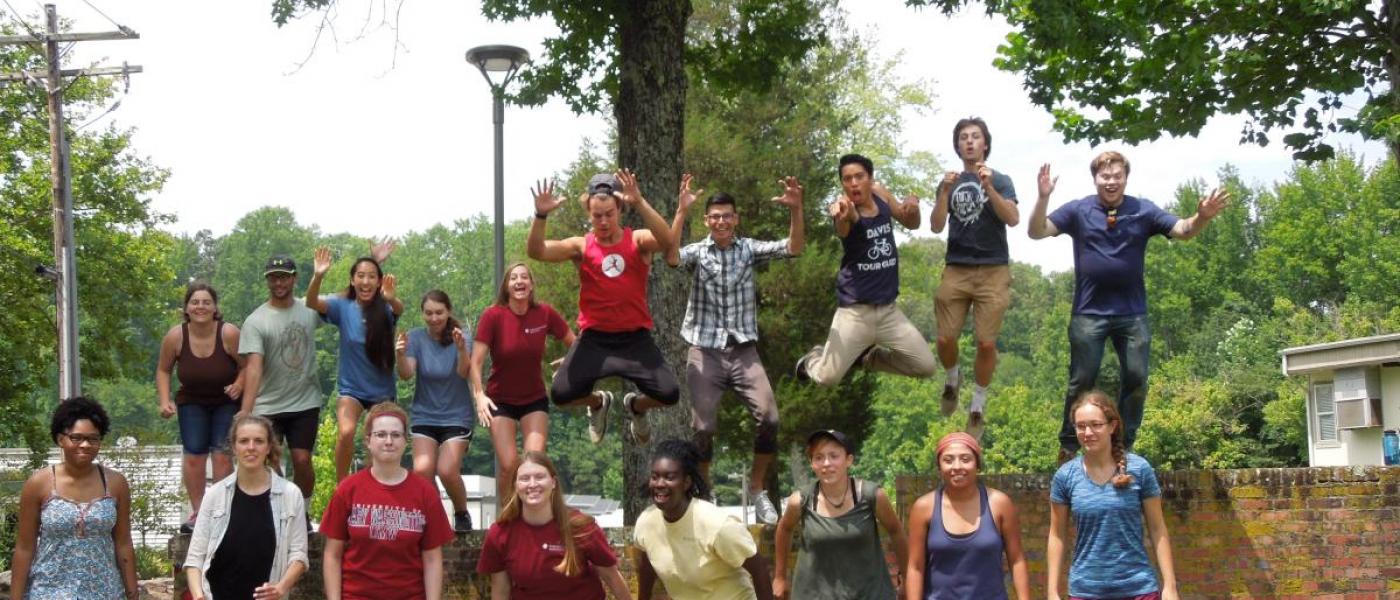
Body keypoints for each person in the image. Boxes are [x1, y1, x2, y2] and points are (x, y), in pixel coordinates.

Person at [1029, 153, 1229, 462]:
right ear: (1095, 178)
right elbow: (1036, 231)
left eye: (1117, 176)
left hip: (1132, 313)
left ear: (1126, 178)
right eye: (1105, 176)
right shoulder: (1078, 210)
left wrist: (1202, 216)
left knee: (1136, 377)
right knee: (1082, 380)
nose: (1111, 181)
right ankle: (1069, 445)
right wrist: (1043, 198)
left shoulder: (1142, 210)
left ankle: (1122, 444)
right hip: (1088, 312)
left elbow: (1184, 230)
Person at [664, 174, 804, 524]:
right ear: (707, 220)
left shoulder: (748, 249)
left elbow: (793, 247)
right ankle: (706, 491)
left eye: (727, 216)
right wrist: (681, 213)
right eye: (715, 216)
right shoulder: (698, 251)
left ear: (736, 219)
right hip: (705, 349)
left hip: (743, 350)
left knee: (770, 416)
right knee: (703, 427)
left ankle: (758, 491)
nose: (721, 222)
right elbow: (670, 257)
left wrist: (796, 209)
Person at [527, 171, 679, 444]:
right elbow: (537, 252)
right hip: (595, 340)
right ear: (589, 211)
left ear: (619, 209)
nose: (604, 221)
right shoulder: (581, 246)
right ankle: (598, 403)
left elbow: (668, 242)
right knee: (561, 395)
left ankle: (636, 406)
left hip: (635, 340)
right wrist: (540, 216)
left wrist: (640, 202)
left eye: (609, 213)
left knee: (669, 393)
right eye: (597, 215)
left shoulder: (637, 240)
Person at [795, 153, 937, 385]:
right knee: (826, 378)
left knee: (925, 366)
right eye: (847, 179)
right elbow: (843, 227)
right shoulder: (844, 207)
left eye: (858, 177)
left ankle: (867, 359)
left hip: (889, 312)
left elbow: (911, 222)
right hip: (855, 313)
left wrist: (913, 205)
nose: (853, 183)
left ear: (870, 179)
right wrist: (844, 216)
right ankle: (811, 359)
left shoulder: (880, 194)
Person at [929, 118, 1020, 440]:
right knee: (944, 339)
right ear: (957, 146)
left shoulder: (1002, 179)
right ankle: (953, 377)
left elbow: (1012, 218)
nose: (969, 142)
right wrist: (943, 192)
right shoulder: (949, 181)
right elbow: (937, 226)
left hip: (993, 270)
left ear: (985, 144)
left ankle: (977, 404)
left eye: (975, 137)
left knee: (986, 343)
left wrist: (990, 187)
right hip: (957, 267)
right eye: (963, 138)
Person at [1046, 391, 1179, 600]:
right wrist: (1052, 592)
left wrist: (1170, 587)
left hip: (1139, 589)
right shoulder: (1065, 476)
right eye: (1081, 426)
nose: (1088, 432)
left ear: (1112, 426)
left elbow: (1157, 528)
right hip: (1086, 591)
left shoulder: (1139, 469)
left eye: (1095, 424)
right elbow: (1057, 535)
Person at [321, 402, 454, 600]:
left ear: (405, 441)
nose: (389, 441)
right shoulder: (348, 490)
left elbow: (433, 559)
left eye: (396, 435)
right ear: (368, 440)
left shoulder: (425, 492)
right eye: (381, 434)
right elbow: (332, 555)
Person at [9, 397, 138, 600]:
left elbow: (123, 543)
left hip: (104, 591)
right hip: (48, 591)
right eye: (76, 438)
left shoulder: (115, 483)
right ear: (61, 439)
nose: (85, 445)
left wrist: (133, 593)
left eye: (93, 438)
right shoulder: (38, 484)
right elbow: (25, 547)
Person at [470, 263, 576, 504]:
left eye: (524, 277)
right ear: (506, 286)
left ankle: (538, 514)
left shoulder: (545, 313)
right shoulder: (493, 315)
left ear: (531, 285)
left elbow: (576, 342)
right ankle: (508, 516)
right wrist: (479, 395)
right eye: (514, 278)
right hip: (500, 400)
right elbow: (475, 362)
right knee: (509, 466)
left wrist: (570, 361)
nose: (519, 281)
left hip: (534, 399)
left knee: (535, 462)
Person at [184, 414, 309, 600]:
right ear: (234, 447)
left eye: (258, 441)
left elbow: (299, 555)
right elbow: (195, 558)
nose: (251, 447)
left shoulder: (291, 495)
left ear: (268, 447)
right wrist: (198, 596)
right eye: (244, 441)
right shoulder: (214, 495)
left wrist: (281, 588)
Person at [476, 451, 632, 600]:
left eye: (539, 477)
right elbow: (501, 591)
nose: (532, 484)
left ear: (553, 483)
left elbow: (612, 578)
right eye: (524, 478)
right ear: (516, 486)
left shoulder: (582, 527)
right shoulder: (499, 533)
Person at [306, 246, 404, 482]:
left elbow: (399, 308)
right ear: (352, 280)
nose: (366, 281)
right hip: (351, 389)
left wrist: (391, 297)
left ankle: (375, 485)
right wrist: (318, 275)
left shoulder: (386, 307)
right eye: (360, 276)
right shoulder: (343, 307)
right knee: (347, 432)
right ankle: (342, 487)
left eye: (371, 276)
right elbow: (311, 302)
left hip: (382, 391)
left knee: (379, 442)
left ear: (379, 281)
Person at [772, 430, 906, 600]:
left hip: (869, 593)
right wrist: (780, 577)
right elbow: (784, 529)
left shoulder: (871, 495)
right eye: (818, 457)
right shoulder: (800, 501)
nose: (826, 463)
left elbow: (896, 531)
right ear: (812, 463)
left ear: (848, 460)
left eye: (834, 456)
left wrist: (908, 577)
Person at [156, 281, 245, 532]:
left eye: (206, 302)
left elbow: (248, 365)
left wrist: (239, 383)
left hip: (225, 401)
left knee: (221, 455)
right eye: (195, 302)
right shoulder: (176, 336)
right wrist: (165, 401)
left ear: (215, 308)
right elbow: (163, 370)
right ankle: (199, 512)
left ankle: (222, 510)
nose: (200, 307)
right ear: (186, 308)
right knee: (194, 454)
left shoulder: (228, 333)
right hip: (192, 401)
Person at [634, 439, 773, 600]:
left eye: (669, 477)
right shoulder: (646, 523)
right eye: (655, 477)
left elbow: (759, 569)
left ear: (686, 482)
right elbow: (647, 567)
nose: (659, 483)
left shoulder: (718, 524)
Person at [239, 255, 326, 512]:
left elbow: (347, 299)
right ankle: (277, 513)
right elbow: (253, 368)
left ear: (294, 278)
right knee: (271, 465)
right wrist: (246, 411)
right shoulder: (256, 321)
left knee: (302, 460)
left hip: (304, 401)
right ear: (267, 280)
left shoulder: (309, 308)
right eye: (274, 277)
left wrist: (372, 263)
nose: (279, 282)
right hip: (268, 404)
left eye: (284, 276)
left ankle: (303, 511)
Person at [904, 432, 1030, 600]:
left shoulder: (999, 504)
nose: (957, 466)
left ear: (977, 464)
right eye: (948, 460)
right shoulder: (924, 508)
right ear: (939, 467)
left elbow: (1017, 560)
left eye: (965, 459)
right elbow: (915, 567)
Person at [396, 289, 475, 533]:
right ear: (422, 314)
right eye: (428, 313)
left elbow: (464, 373)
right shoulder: (416, 338)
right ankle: (435, 519)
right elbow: (407, 374)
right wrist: (399, 354)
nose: (434, 318)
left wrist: (461, 349)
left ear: (448, 311)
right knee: (421, 470)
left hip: (456, 414)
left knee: (447, 470)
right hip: (425, 414)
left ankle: (461, 513)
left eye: (439, 313)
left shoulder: (464, 336)